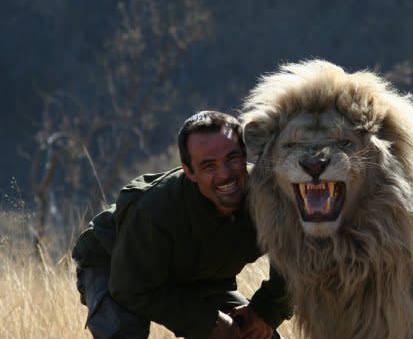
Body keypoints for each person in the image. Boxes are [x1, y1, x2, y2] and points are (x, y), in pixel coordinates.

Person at [72, 110, 291, 339]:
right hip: (117, 265)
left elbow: (297, 263)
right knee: (124, 333)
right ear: (189, 172)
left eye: (232, 159)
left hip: (197, 277)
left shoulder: (270, 198)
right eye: (209, 166)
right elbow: (129, 288)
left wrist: (265, 311)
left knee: (253, 335)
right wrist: (205, 321)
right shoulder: (155, 208)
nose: (225, 174)